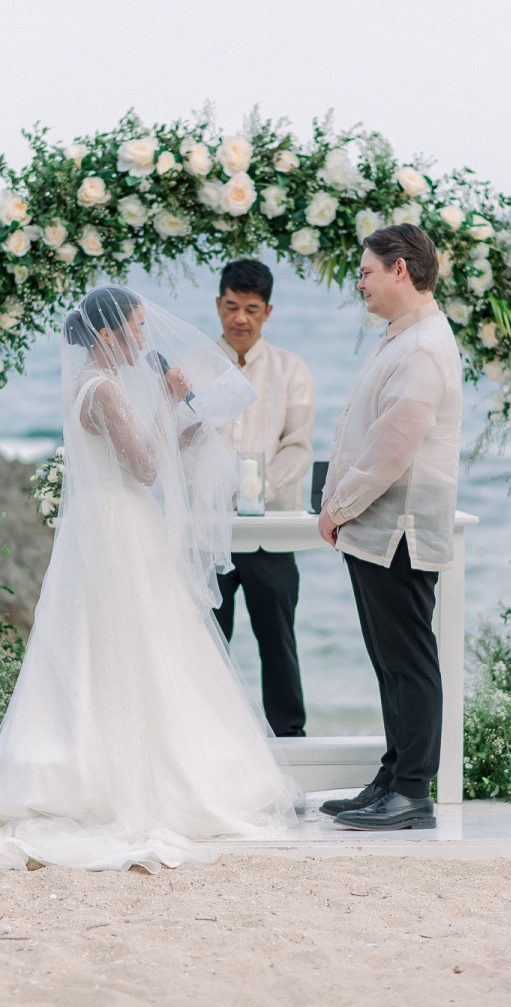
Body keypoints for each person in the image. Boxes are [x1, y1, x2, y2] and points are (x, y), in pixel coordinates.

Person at [0, 285, 298, 872]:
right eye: (136, 327)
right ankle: (118, 778)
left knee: (110, 644)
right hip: (119, 523)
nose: (144, 336)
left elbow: (139, 454)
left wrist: (180, 420)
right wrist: (169, 404)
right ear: (109, 335)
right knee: (132, 642)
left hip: (106, 523)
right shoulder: (105, 388)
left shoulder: (95, 382)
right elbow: (141, 469)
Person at [317, 225, 462, 831]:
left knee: (409, 661)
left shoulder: (424, 347)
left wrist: (338, 507)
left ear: (400, 270)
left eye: (367, 271)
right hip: (378, 530)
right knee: (389, 662)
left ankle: (411, 791)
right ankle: (392, 774)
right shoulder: (402, 338)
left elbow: (391, 449)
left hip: (397, 528)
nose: (361, 281)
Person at [212, 260, 315, 737]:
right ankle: (208, 738)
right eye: (232, 306)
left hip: (271, 533)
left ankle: (291, 740)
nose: (241, 319)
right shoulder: (197, 366)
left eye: (251, 309)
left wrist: (255, 491)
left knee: (278, 642)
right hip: (208, 535)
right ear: (218, 305)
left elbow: (298, 445)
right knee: (207, 643)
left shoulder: (291, 369)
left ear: (268, 311)